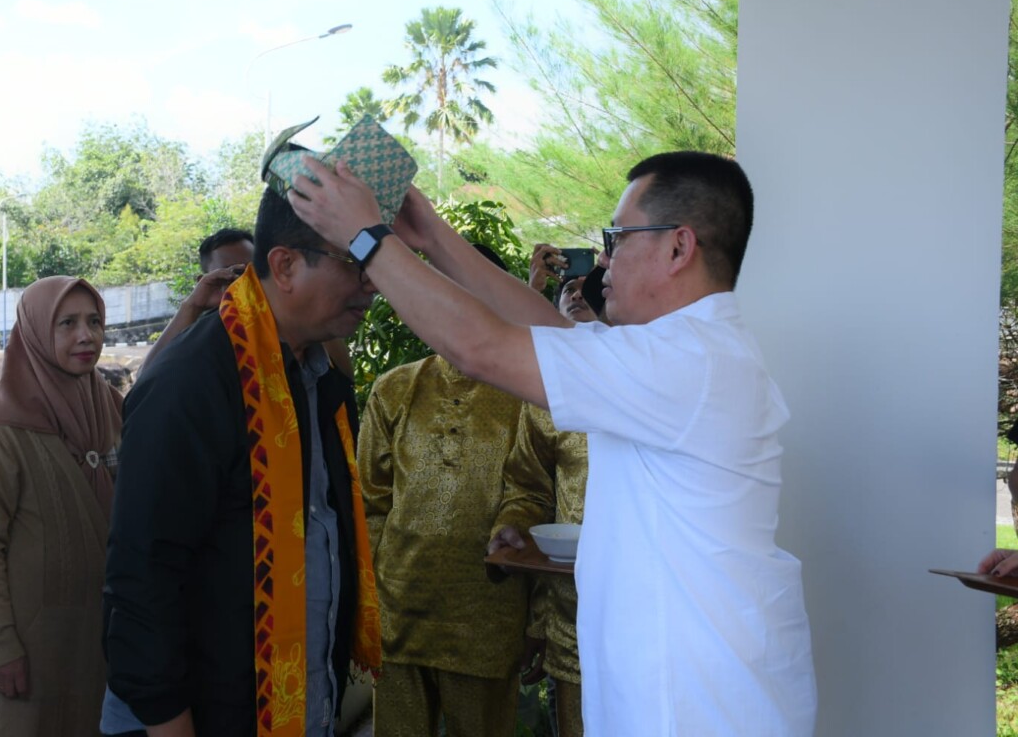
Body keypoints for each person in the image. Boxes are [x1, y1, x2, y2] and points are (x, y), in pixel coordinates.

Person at [286, 150, 818, 736]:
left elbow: (483, 348)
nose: (605, 258)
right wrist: (432, 235)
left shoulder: (688, 361)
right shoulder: (684, 352)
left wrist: (366, 238)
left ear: (678, 247)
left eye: (616, 236)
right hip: (683, 693)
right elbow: (548, 330)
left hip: (698, 707)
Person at [104, 186, 382, 737]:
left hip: (300, 702)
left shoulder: (317, 376)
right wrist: (169, 723)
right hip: (214, 712)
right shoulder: (193, 381)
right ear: (284, 266)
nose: (371, 282)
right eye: (355, 264)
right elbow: (143, 575)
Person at [357, 245, 553, 737]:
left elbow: (535, 491)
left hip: (486, 618)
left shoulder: (528, 391)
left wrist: (516, 526)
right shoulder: (395, 388)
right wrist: (366, 611)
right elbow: (370, 504)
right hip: (399, 611)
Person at [0, 276, 124, 736]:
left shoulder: (109, 406)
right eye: (66, 323)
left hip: (106, 638)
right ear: (33, 331)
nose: (86, 336)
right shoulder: (1, 428)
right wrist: (2, 643)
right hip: (35, 646)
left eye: (94, 321)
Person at [505, 251, 601, 737]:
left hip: (646, 617)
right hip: (571, 616)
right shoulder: (546, 400)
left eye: (589, 285)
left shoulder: (638, 371)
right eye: (567, 289)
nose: (577, 293)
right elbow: (527, 486)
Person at [143, 227, 353, 378]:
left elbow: (344, 374)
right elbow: (147, 378)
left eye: (253, 271)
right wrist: (193, 305)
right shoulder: (203, 337)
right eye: (233, 273)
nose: (246, 281)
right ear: (205, 281)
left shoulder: (286, 325)